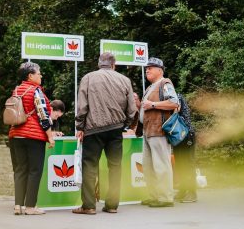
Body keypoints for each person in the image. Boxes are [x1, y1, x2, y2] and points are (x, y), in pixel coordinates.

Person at [73, 52, 136, 214]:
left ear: (99, 64)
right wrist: (125, 124)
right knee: (115, 167)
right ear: (114, 65)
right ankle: (112, 205)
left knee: (89, 165)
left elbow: (82, 106)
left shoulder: (88, 78)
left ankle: (88, 205)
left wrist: (80, 126)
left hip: (93, 129)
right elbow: (132, 109)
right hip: (116, 130)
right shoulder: (125, 80)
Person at [8, 62, 55, 216]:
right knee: (34, 171)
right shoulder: (36, 91)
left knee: (20, 170)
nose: (41, 75)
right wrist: (50, 135)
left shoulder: (16, 90)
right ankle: (30, 207)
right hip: (33, 136)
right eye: (38, 73)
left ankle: (17, 206)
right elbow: (43, 114)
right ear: (30, 76)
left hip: (16, 135)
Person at [140, 57, 180, 208]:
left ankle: (165, 198)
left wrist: (153, 104)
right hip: (148, 131)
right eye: (146, 68)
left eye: (151, 67)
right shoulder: (150, 87)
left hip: (159, 131)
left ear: (160, 70)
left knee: (161, 165)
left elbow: (174, 102)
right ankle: (155, 196)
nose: (147, 70)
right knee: (148, 166)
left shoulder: (165, 83)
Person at [173, 93, 197, 202]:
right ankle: (183, 190)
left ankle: (192, 193)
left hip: (186, 134)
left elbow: (175, 109)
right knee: (180, 164)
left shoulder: (176, 96)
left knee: (187, 163)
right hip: (178, 136)